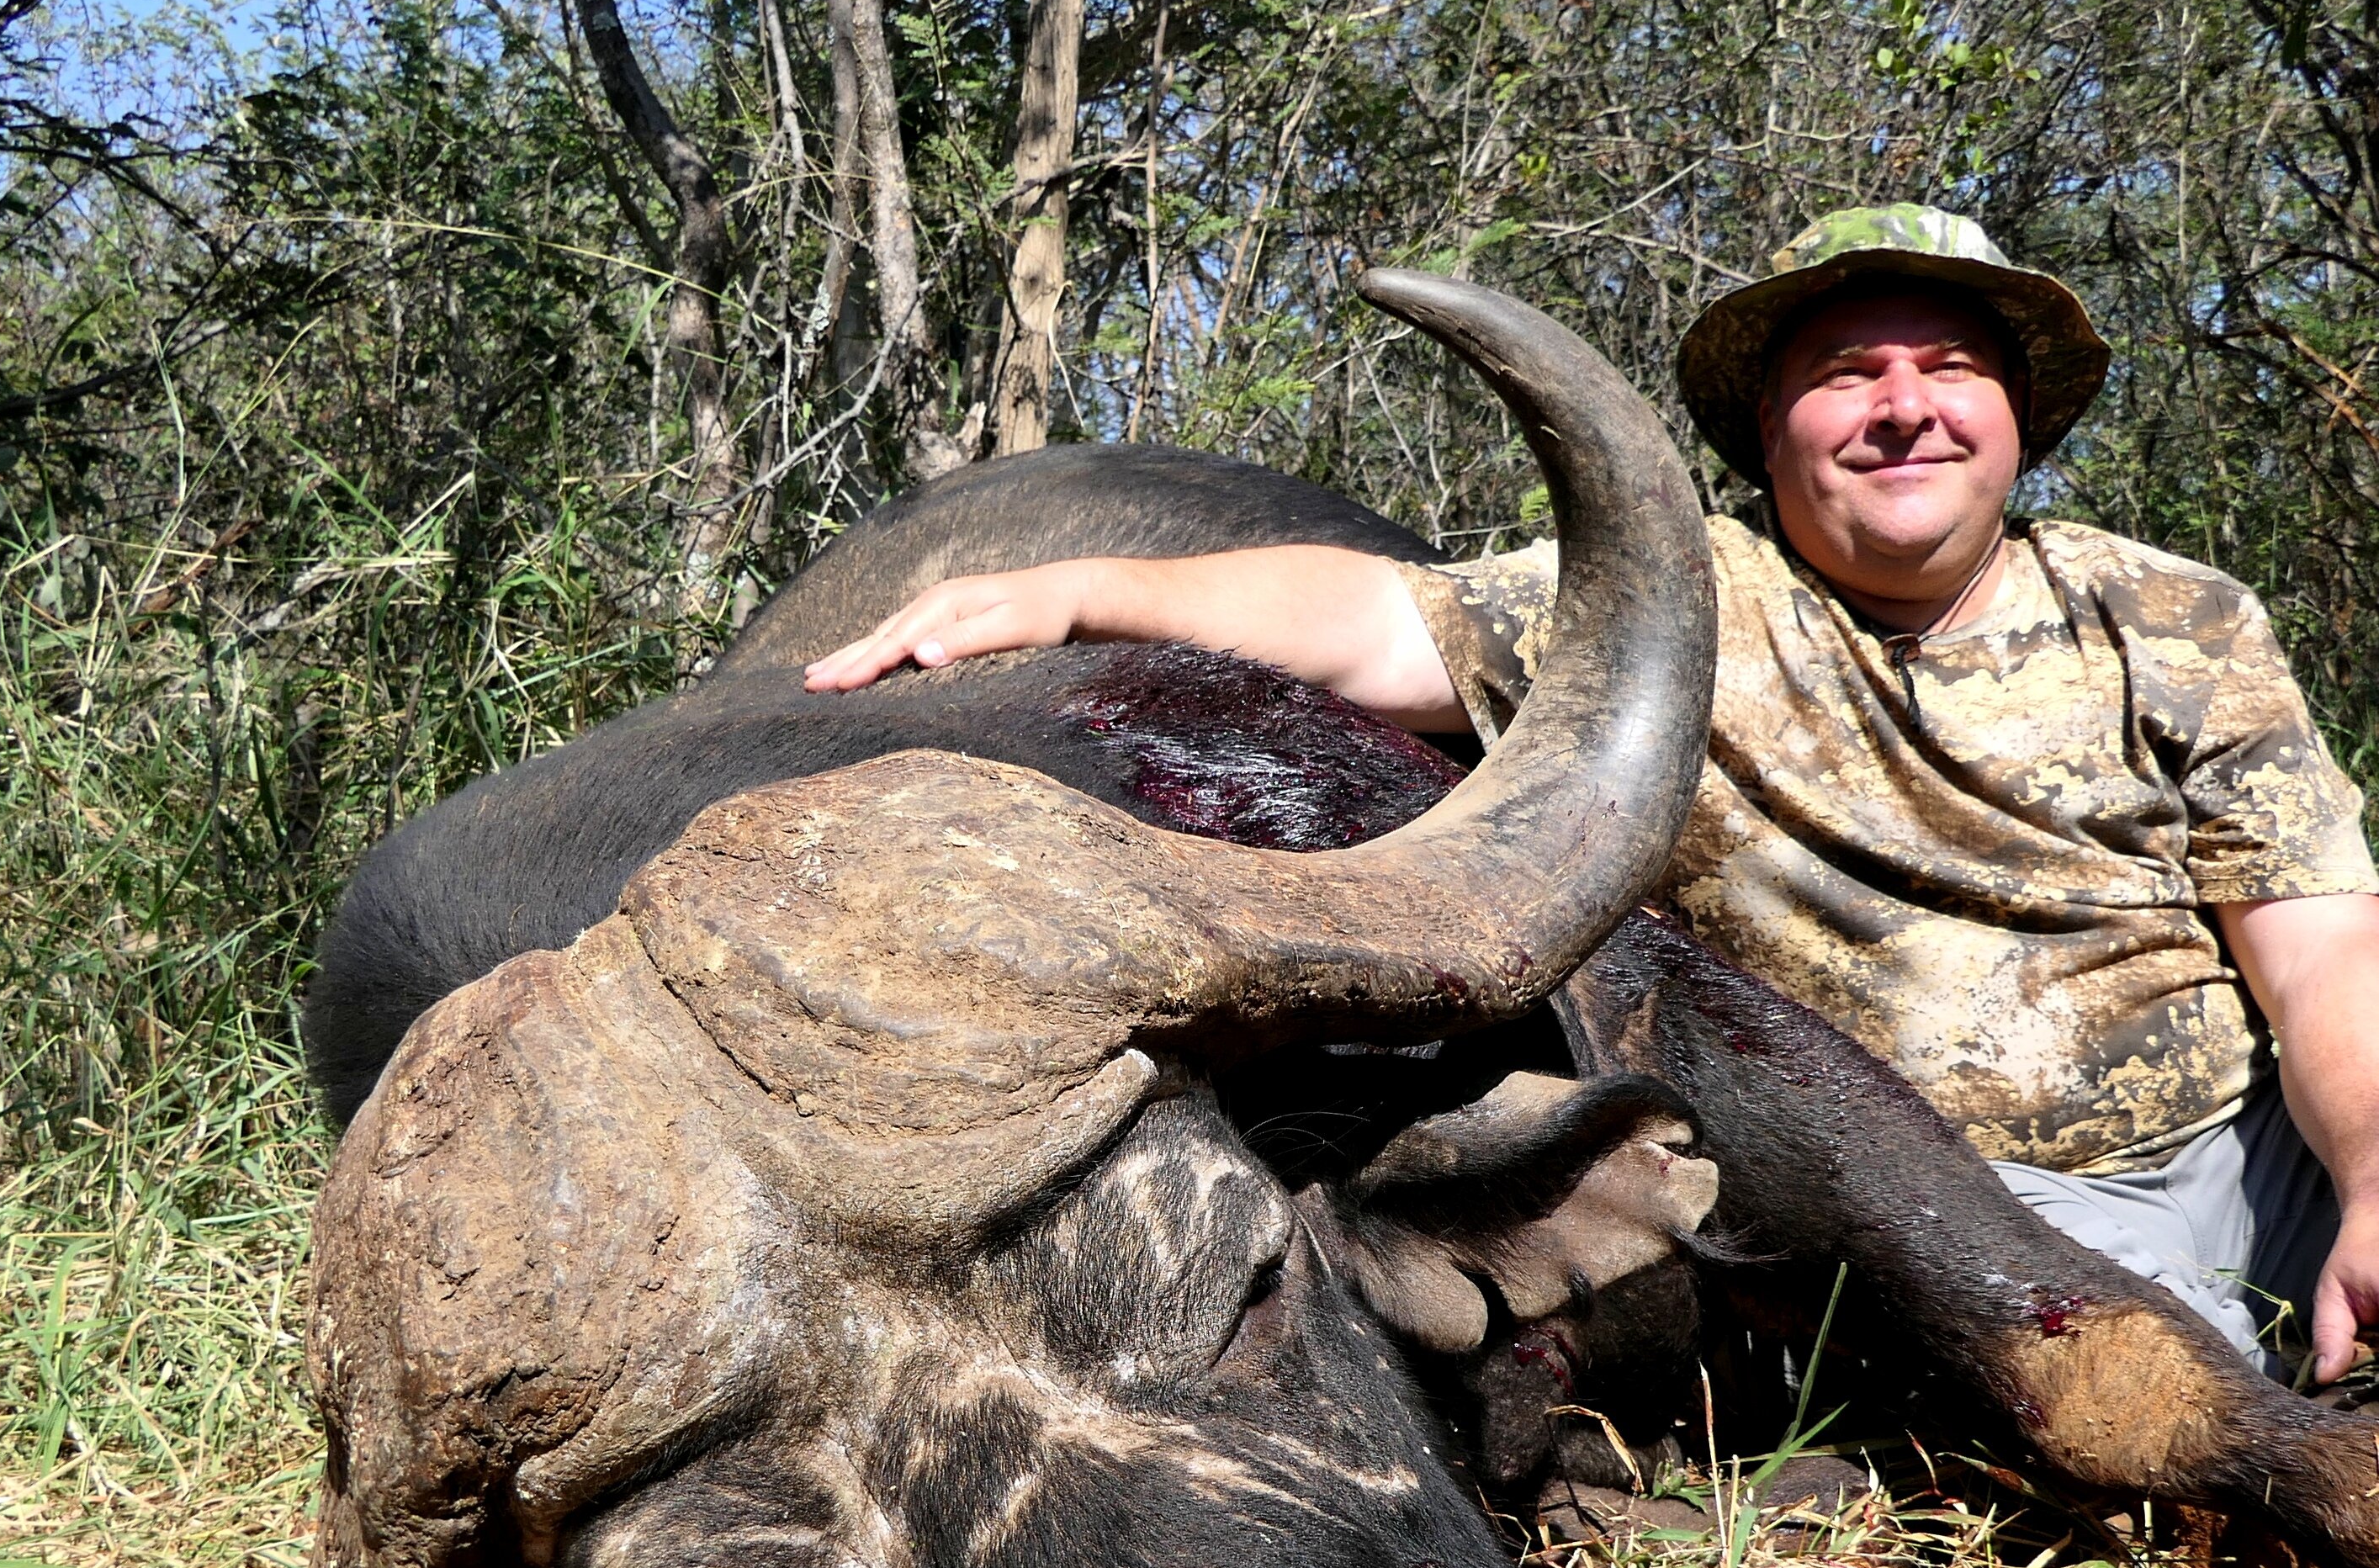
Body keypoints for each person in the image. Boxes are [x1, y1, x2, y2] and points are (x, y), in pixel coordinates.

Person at [803, 208, 2379, 1390]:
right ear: (1770, 433)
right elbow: (1373, 623)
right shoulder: (1683, 607)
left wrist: (2373, 1176)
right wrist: (1076, 593)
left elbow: (2319, 954)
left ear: (2018, 422)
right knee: (2154, 1389)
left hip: (2258, 1143)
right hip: (1961, 1210)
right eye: (1847, 375)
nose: (1907, 405)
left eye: (1950, 368)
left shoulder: (2176, 616)